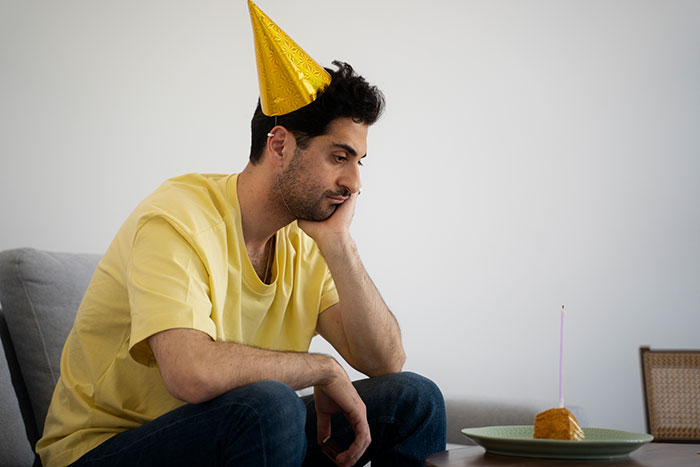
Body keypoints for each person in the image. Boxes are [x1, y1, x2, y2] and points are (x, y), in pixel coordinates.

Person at [36, 3, 446, 466]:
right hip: (103, 450)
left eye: (358, 162)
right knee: (270, 405)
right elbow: (190, 373)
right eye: (339, 157)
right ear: (280, 145)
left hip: (226, 437)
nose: (355, 182)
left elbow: (386, 362)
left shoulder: (307, 239)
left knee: (414, 397)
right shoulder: (177, 217)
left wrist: (340, 244)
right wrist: (321, 369)